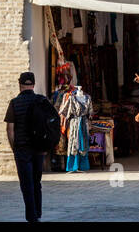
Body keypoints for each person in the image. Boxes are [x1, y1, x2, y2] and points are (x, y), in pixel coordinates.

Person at [5, 71, 57, 221]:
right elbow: (51, 123)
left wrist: (14, 148)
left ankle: (32, 217)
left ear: (20, 84)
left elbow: (10, 129)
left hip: (22, 149)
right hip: (39, 149)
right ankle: (38, 214)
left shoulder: (14, 103)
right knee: (36, 183)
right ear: (33, 85)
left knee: (26, 184)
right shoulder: (42, 100)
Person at [57, 84, 94, 172]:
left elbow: (90, 112)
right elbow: (63, 111)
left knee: (83, 142)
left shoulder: (88, 98)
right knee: (74, 142)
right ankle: (73, 166)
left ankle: (82, 166)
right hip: (74, 123)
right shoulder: (71, 98)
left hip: (84, 123)